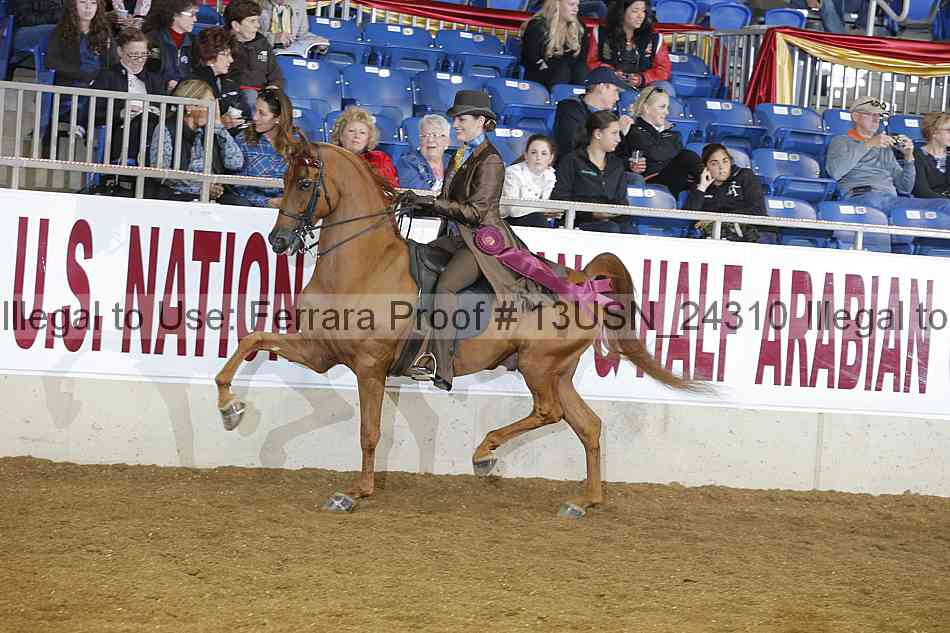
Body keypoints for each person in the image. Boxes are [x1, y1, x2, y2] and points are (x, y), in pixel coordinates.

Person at [397, 91, 533, 391]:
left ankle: (440, 363)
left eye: (462, 119)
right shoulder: (460, 155)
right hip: (455, 238)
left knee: (447, 286)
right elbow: (446, 201)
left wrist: (432, 203)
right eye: (455, 119)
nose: (456, 124)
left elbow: (476, 212)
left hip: (481, 242)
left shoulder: (491, 160)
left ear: (482, 121)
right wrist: (416, 202)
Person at [826, 96, 950, 216]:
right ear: (855, 116)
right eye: (871, 114)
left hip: (891, 199)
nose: (876, 119)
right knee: (877, 200)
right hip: (862, 196)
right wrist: (868, 144)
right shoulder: (841, 141)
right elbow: (835, 172)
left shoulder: (884, 147)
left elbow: (904, 188)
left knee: (945, 205)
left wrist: (908, 157)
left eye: (879, 115)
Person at [148, 79, 244, 202]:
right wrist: (200, 189)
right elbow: (161, 173)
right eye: (209, 104)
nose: (214, 110)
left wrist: (220, 127)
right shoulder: (167, 129)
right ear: (190, 106)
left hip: (214, 193)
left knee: (238, 202)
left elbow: (235, 163)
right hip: (179, 195)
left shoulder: (213, 129)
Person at [551, 110, 637, 233]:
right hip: (577, 223)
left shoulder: (617, 165)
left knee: (630, 231)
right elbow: (560, 198)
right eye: (614, 133)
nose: (618, 139)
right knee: (610, 229)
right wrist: (592, 213)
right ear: (598, 134)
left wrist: (615, 212)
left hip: (611, 223)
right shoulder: (571, 161)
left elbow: (622, 200)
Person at [91, 27, 165, 162]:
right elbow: (93, 112)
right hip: (119, 131)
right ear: (120, 52)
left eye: (144, 54)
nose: (140, 59)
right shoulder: (108, 76)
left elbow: (164, 110)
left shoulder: (155, 80)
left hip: (153, 130)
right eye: (134, 54)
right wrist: (120, 113)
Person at [618, 84, 702, 199]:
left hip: (673, 180)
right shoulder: (632, 130)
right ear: (647, 108)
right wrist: (630, 164)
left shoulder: (672, 134)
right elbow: (656, 154)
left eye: (667, 108)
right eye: (662, 107)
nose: (666, 112)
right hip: (650, 182)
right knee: (687, 156)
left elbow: (672, 154)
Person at [231, 86, 301, 207]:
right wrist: (266, 202)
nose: (254, 117)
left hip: (289, 208)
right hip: (252, 209)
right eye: (255, 110)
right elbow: (238, 187)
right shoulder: (243, 140)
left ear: (278, 118)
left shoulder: (297, 144)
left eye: (262, 113)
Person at [684, 143, 767, 242]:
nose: (721, 167)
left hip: (749, 234)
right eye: (714, 163)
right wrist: (702, 188)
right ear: (706, 168)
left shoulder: (745, 176)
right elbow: (686, 219)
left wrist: (716, 219)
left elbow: (758, 211)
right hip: (712, 238)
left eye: (725, 161)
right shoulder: (699, 186)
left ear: (730, 162)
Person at [552, 66, 633, 160]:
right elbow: (574, 146)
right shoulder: (570, 109)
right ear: (602, 87)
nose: (617, 98)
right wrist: (618, 133)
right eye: (616, 91)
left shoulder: (611, 116)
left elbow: (619, 157)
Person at [587, 0, 670, 90]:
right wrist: (611, 73)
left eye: (643, 11)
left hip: (644, 88)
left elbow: (663, 69)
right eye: (635, 11)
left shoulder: (654, 37)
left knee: (665, 88)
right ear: (621, 12)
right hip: (608, 86)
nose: (640, 16)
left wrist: (642, 79)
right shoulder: (600, 33)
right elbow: (591, 62)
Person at [224, 0, 283, 114]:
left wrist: (273, 88)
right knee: (250, 97)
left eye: (257, 20)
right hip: (231, 96)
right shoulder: (221, 43)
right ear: (236, 26)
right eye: (252, 21)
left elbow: (276, 76)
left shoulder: (262, 43)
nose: (258, 25)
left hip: (261, 97)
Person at [520, 0, 590, 89]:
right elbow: (532, 60)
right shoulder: (537, 25)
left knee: (580, 69)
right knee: (562, 69)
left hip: (569, 73)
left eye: (577, 5)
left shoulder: (580, 28)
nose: (576, 9)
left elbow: (581, 60)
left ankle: (580, 97)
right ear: (557, 4)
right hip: (538, 73)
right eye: (571, 4)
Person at [190, 26, 247, 131]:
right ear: (210, 54)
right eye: (226, 54)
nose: (231, 60)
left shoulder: (229, 83)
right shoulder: (193, 85)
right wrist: (220, 122)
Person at [47, 0, 114, 89]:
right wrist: (81, 74)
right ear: (73, 6)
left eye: (93, 3)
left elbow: (112, 62)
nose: (88, 7)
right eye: (83, 2)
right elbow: (52, 61)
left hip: (100, 86)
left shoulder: (104, 32)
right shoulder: (61, 32)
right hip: (70, 86)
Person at [330, 106, 400, 188]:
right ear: (340, 135)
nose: (357, 136)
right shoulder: (330, 159)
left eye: (362, 132)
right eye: (351, 131)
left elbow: (392, 189)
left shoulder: (380, 159)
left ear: (369, 138)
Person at [502, 134, 560, 228]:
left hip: (535, 220)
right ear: (526, 155)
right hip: (508, 221)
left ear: (551, 158)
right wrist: (543, 210)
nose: (538, 157)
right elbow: (513, 210)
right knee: (538, 219)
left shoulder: (550, 176)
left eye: (544, 153)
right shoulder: (512, 173)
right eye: (533, 152)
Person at [143, 0, 196, 92]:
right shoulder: (153, 39)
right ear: (175, 15)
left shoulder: (195, 41)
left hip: (186, 95)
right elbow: (149, 73)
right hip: (157, 95)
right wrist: (166, 83)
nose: (195, 19)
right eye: (191, 14)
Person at [396, 114, 451, 193]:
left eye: (435, 135)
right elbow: (418, 194)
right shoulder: (407, 162)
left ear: (447, 141)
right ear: (419, 140)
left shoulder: (452, 162)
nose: (430, 140)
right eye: (425, 136)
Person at [913, 112, 950, 199]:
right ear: (933, 132)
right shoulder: (918, 156)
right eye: (949, 130)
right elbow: (921, 191)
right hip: (931, 203)